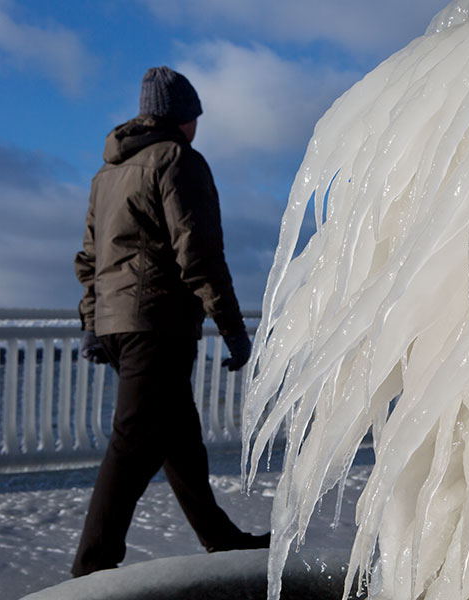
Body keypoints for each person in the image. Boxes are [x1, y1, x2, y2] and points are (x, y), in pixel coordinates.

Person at [72, 66, 269, 577]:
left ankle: (220, 539)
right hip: (157, 323)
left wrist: (92, 323)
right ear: (183, 117)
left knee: (179, 438)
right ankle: (90, 569)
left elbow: (90, 258)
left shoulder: (107, 174)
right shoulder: (177, 161)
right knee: (132, 442)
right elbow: (198, 252)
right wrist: (232, 328)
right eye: (195, 116)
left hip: (119, 325)